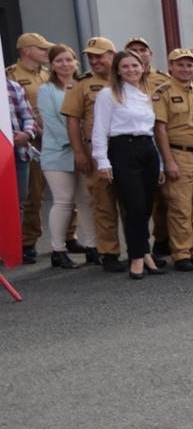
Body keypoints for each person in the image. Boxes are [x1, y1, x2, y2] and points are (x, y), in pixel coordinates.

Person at [92, 51, 166, 279]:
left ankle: (145, 253)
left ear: (143, 67)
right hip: (123, 149)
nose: (131, 70)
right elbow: (100, 129)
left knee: (145, 206)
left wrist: (161, 164)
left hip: (147, 150)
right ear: (117, 70)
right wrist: (102, 160)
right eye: (125, 66)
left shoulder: (146, 95)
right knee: (132, 206)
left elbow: (152, 133)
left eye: (135, 65)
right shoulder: (108, 94)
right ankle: (137, 256)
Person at [154, 48, 193, 271]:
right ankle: (182, 253)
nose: (186, 68)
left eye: (190, 65)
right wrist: (168, 160)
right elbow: (159, 129)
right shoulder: (163, 93)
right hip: (179, 154)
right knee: (181, 207)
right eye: (180, 64)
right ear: (171, 67)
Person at [36, 45, 95, 269]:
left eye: (69, 60)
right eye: (59, 61)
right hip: (58, 153)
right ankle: (58, 250)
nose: (65, 64)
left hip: (83, 151)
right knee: (63, 201)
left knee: (86, 200)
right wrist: (77, 143)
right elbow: (51, 122)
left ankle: (92, 247)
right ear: (51, 65)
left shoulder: (82, 85)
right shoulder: (46, 90)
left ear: (76, 63)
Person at [62, 37, 119, 269]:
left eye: (99, 55)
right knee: (103, 203)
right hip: (95, 150)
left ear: (112, 56)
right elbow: (73, 121)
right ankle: (110, 253)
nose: (94, 60)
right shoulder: (82, 84)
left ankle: (137, 252)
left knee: (130, 204)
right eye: (90, 57)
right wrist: (79, 153)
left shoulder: (127, 79)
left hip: (126, 149)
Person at [11, 32, 54, 263]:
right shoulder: (12, 75)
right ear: (26, 50)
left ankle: (69, 235)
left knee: (62, 191)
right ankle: (27, 241)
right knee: (33, 194)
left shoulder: (48, 74)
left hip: (55, 138)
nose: (46, 53)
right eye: (41, 48)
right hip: (32, 141)